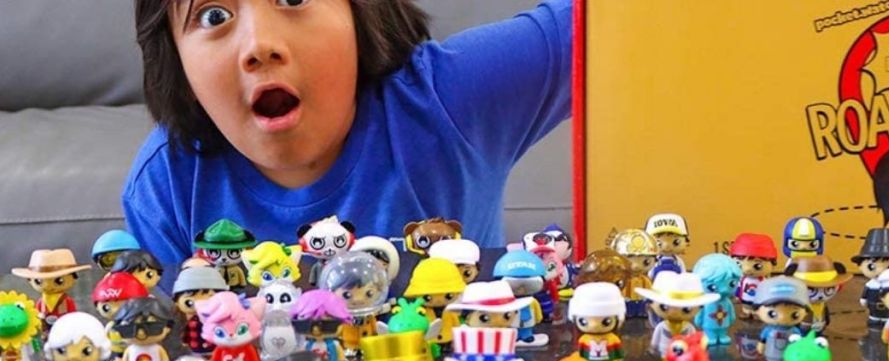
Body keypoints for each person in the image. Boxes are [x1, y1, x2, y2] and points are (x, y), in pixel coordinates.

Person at [125, 0, 573, 264]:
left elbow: (600, 23)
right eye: (213, 15)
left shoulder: (449, 99)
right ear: (176, 62)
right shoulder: (165, 185)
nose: (259, 45)